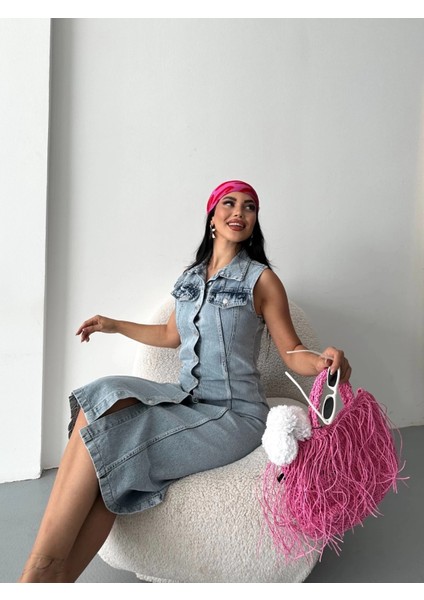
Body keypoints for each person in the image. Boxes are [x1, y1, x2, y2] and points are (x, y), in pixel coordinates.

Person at [19, 180, 351, 583]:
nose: (239, 212)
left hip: (234, 414)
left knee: (119, 445)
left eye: (249, 207)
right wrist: (114, 324)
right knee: (102, 397)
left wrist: (322, 362)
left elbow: (292, 350)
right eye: (229, 203)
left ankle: (41, 574)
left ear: (254, 221)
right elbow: (169, 335)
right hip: (185, 399)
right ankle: (47, 572)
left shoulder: (261, 281)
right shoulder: (190, 279)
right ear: (212, 217)